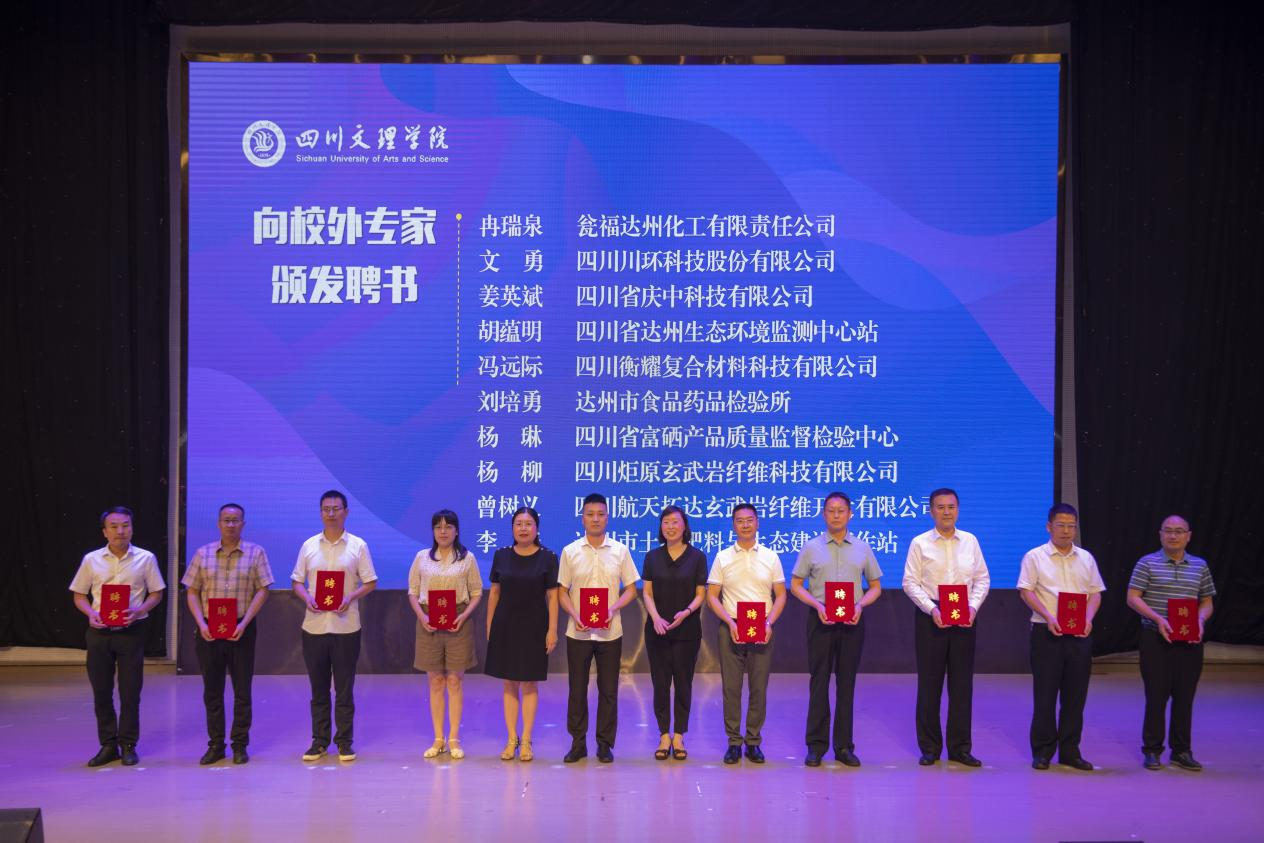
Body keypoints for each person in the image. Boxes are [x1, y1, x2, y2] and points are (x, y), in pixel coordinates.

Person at [790, 491, 882, 767]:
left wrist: (860, 605)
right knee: (818, 681)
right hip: (820, 620)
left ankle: (844, 747)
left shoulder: (862, 547)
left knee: (847, 683)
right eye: (831, 510)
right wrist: (817, 605)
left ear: (850, 514)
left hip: (852, 621)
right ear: (823, 514)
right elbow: (795, 585)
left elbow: (875, 586)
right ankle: (816, 746)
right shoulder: (811, 547)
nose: (836, 515)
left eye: (841, 510)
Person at [69, 506, 165, 767]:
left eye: (125, 525)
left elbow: (156, 593)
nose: (120, 531)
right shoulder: (91, 559)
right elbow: (79, 595)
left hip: (131, 632)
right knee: (101, 691)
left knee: (130, 692)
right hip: (99, 633)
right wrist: (91, 613)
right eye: (114, 526)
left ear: (132, 528)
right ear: (105, 531)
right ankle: (108, 744)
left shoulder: (146, 558)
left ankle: (128, 744)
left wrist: (139, 611)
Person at [902, 487, 990, 767]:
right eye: (940, 507)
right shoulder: (920, 543)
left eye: (951, 507)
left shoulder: (970, 541)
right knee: (930, 684)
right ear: (931, 511)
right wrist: (931, 609)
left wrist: (973, 607)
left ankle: (960, 748)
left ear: (958, 510)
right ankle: (930, 747)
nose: (946, 512)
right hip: (932, 614)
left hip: (965, 614)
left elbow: (982, 579)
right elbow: (909, 582)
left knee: (962, 685)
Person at [183, 503, 274, 765]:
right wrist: (201, 623)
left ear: (243, 524)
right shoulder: (203, 553)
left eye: (235, 520)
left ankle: (240, 744)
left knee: (242, 690)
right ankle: (215, 745)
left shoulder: (256, 552)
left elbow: (263, 589)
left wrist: (244, 623)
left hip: (241, 627)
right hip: (209, 629)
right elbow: (192, 591)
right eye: (226, 520)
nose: (231, 524)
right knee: (212, 691)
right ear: (218, 523)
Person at [291, 490, 377, 763]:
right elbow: (297, 582)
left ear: (346, 512)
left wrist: (350, 597)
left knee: (344, 688)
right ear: (320, 513)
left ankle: (344, 742)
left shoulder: (358, 546)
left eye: (336, 508)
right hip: (314, 627)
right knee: (318, 689)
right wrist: (306, 598)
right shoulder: (309, 546)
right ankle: (318, 742)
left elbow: (370, 582)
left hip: (346, 628)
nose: (331, 513)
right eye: (326, 509)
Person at [1017, 503, 1104, 771]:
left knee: (1075, 697)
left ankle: (1070, 751)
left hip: (1079, 634)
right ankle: (1042, 751)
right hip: (1047, 633)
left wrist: (1088, 619)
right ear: (1049, 527)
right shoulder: (1035, 557)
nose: (1066, 531)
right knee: (1045, 695)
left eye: (1071, 526)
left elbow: (1095, 593)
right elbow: (1026, 591)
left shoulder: (1086, 558)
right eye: (1061, 525)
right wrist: (1048, 616)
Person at [1126, 514, 1215, 771]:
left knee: (1185, 697)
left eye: (1179, 531)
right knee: (1156, 696)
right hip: (1156, 637)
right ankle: (1152, 750)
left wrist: (1200, 620)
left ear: (1188, 536)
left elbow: (1206, 601)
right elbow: (1132, 597)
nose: (1173, 535)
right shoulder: (1147, 563)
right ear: (1160, 534)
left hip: (1190, 637)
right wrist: (1158, 619)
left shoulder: (1200, 565)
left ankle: (1181, 751)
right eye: (1168, 530)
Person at [557, 492, 640, 763]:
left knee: (609, 690)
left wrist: (612, 609)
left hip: (610, 632)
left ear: (608, 517)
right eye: (590, 514)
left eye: (600, 514)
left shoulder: (620, 551)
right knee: (577, 689)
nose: (595, 519)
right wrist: (574, 614)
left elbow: (631, 589)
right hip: (578, 631)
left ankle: (604, 744)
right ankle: (578, 743)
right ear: (582, 518)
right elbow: (562, 591)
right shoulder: (570, 551)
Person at [707, 502, 787, 765]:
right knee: (731, 687)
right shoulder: (722, 557)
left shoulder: (771, 557)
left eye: (749, 520)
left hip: (762, 626)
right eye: (739, 521)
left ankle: (753, 741)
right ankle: (733, 742)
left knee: (758, 687)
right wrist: (729, 622)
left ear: (757, 523)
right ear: (733, 525)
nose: (745, 525)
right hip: (731, 625)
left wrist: (769, 623)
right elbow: (712, 596)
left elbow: (781, 595)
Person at [407, 509, 483, 761]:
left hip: (458, 620)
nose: (443, 531)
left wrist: (464, 615)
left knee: (454, 681)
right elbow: (413, 592)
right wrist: (422, 616)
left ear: (456, 531)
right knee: (436, 681)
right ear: (432, 531)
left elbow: (476, 592)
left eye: (448, 527)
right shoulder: (421, 557)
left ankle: (454, 738)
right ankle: (438, 738)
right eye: (438, 527)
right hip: (428, 619)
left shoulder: (467, 558)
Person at [484, 506, 559, 762]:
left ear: (536, 528)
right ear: (512, 528)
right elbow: (494, 593)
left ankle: (526, 739)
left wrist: (552, 629)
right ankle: (511, 738)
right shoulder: (501, 555)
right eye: (518, 524)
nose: (523, 528)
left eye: (528, 524)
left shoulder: (548, 557)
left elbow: (553, 597)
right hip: (505, 626)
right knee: (509, 682)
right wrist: (489, 625)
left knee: (529, 683)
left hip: (535, 627)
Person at [641, 505, 707, 761]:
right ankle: (663, 735)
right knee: (660, 684)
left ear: (684, 526)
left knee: (683, 683)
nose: (670, 526)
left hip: (687, 630)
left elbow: (700, 594)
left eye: (675, 522)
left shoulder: (697, 557)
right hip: (657, 630)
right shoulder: (652, 557)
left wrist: (686, 612)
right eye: (666, 522)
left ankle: (678, 734)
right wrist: (655, 618)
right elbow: (647, 592)